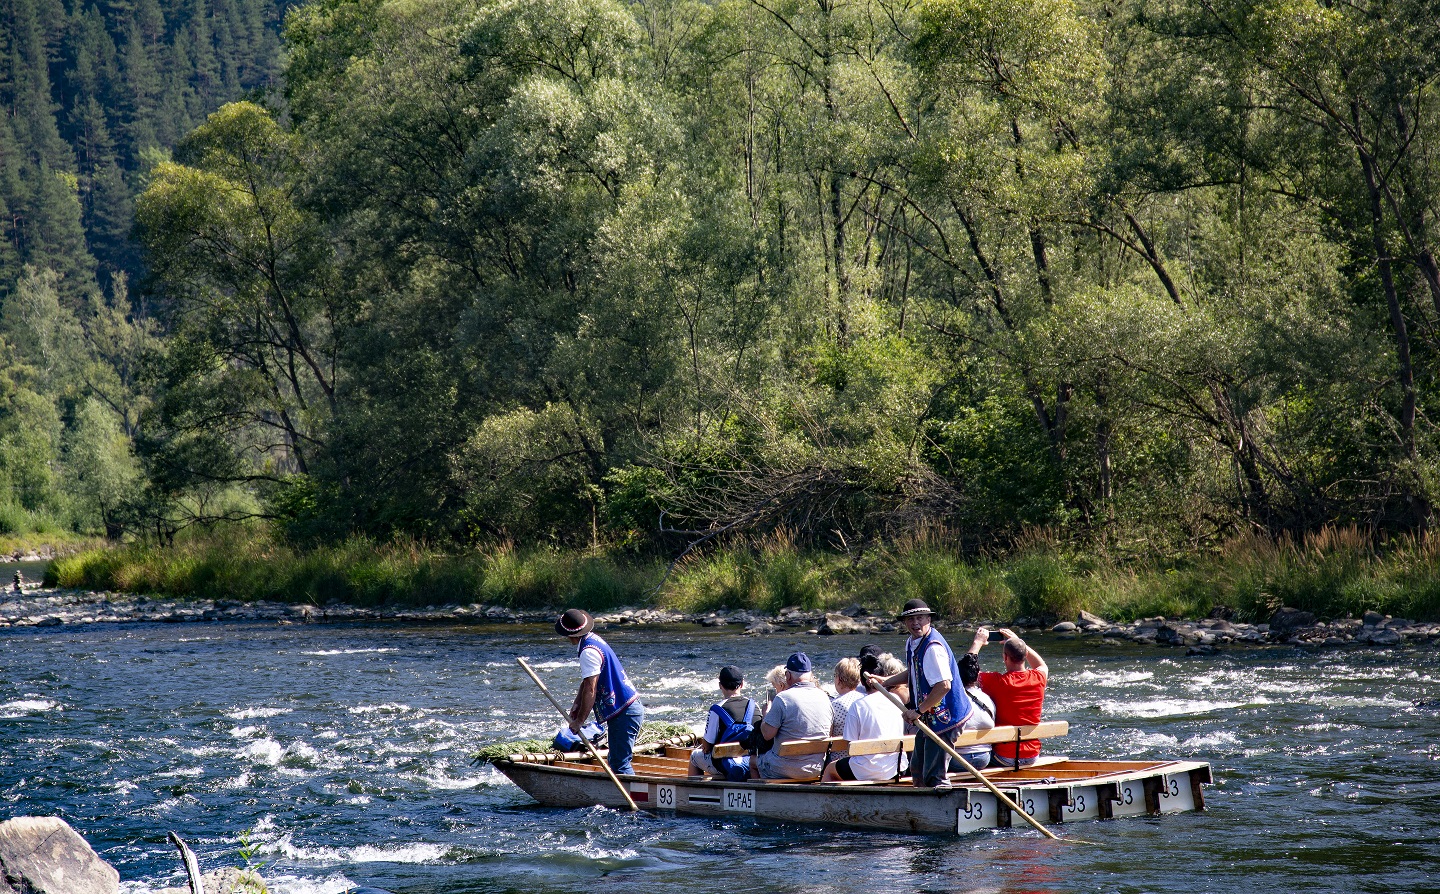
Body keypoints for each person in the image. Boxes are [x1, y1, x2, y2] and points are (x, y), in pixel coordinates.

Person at [874, 599, 971, 790]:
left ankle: (942, 809)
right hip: (929, 718)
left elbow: (944, 686)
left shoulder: (933, 648)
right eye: (910, 619)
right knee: (917, 768)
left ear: (929, 619)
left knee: (934, 775)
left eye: (919, 618)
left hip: (947, 719)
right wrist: (886, 681)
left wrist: (918, 710)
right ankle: (920, 806)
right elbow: (914, 672)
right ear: (904, 622)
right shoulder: (913, 643)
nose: (915, 623)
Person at [556, 608, 645, 776]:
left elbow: (591, 689)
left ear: (569, 635)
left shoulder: (588, 652)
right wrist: (576, 706)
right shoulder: (592, 640)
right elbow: (586, 682)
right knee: (617, 760)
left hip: (625, 712)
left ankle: (633, 799)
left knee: (619, 763)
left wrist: (579, 721)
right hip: (626, 709)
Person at [969, 626, 1048, 768]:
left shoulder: (996, 681)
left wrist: (978, 643)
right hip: (1032, 755)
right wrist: (1019, 642)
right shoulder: (1038, 677)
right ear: (1025, 656)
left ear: (1005, 657)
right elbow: (1042, 665)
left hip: (1003, 756)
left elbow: (967, 672)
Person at [823, 655, 907, 782]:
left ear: (861, 682)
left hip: (868, 770)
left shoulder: (857, 706)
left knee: (830, 769)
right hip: (898, 766)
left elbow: (850, 745)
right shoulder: (896, 700)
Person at [752, 652, 833, 779]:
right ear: (810, 675)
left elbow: (767, 735)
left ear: (788, 675)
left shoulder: (783, 698)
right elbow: (830, 732)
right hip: (817, 768)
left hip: (782, 768)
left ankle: (764, 798)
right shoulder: (824, 697)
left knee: (752, 762)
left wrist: (766, 714)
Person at [688, 665, 756, 780]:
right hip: (750, 762)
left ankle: (694, 793)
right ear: (742, 684)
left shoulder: (716, 709)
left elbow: (707, 746)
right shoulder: (754, 706)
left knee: (694, 756)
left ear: (720, 685)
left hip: (726, 763)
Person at [951, 651, 995, 771]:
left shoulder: (953, 698)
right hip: (984, 758)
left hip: (958, 760)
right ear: (977, 676)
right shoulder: (987, 698)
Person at [830, 657, 863, 737]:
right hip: (862, 748)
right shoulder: (864, 700)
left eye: (835, 675)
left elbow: (828, 735)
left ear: (839, 680)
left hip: (841, 749)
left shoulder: (834, 705)